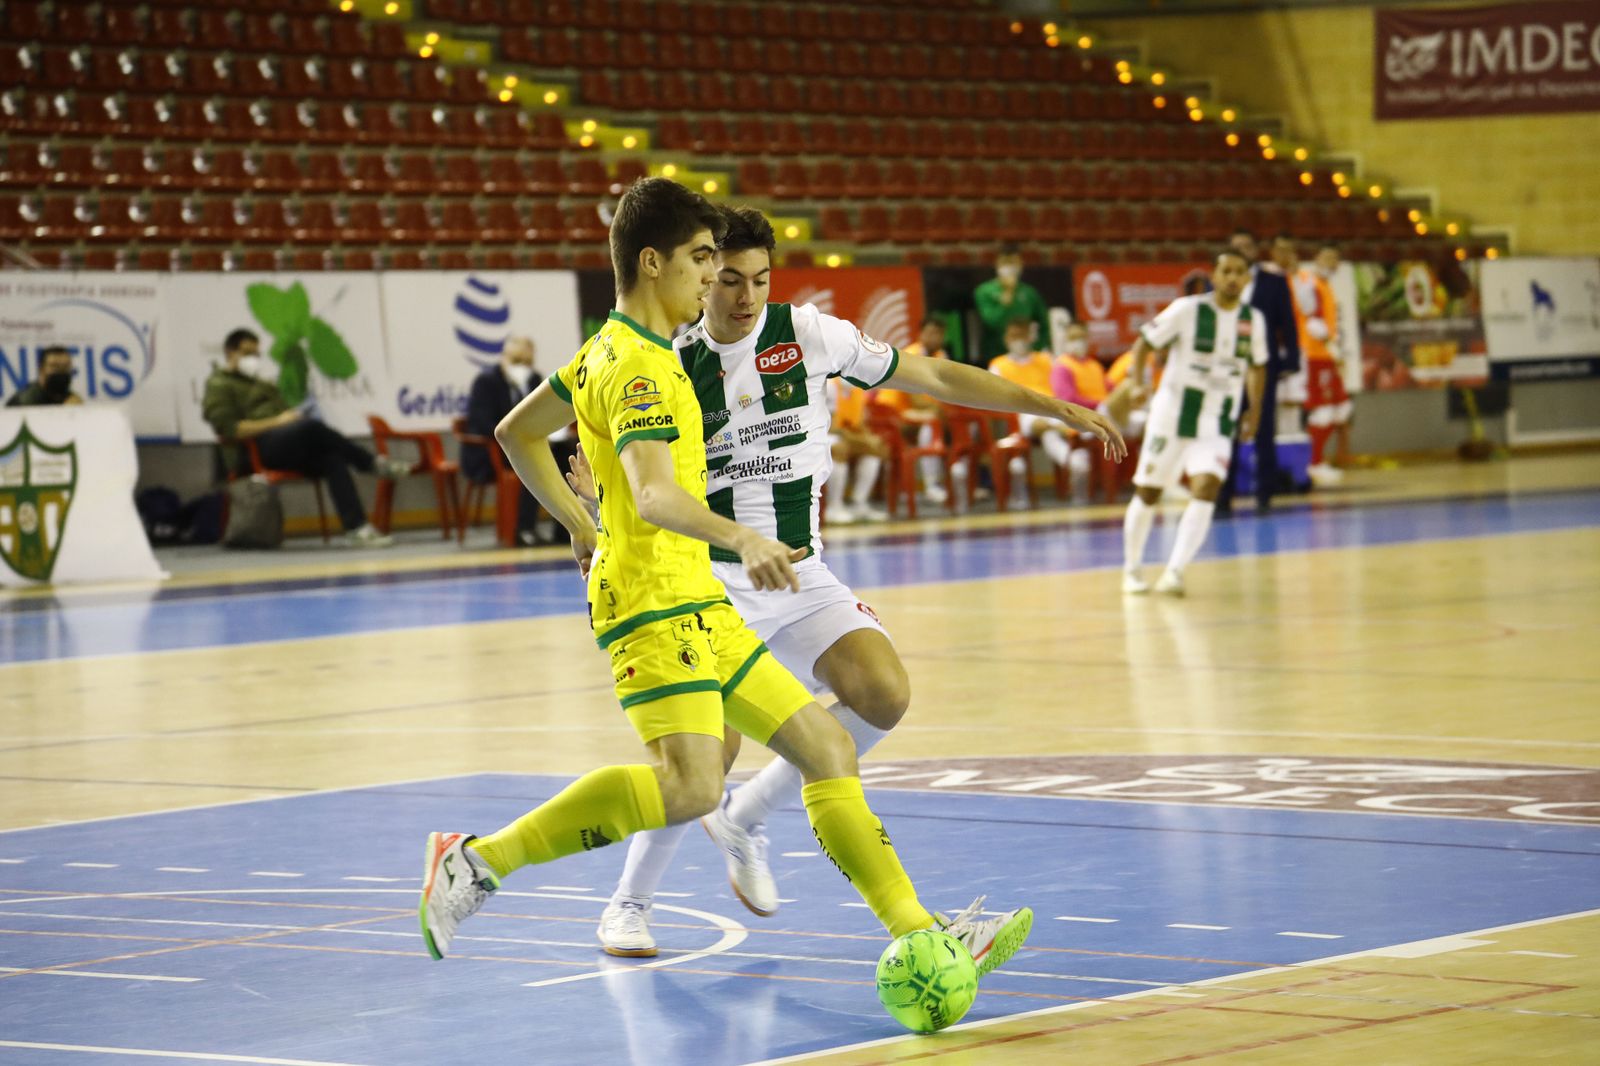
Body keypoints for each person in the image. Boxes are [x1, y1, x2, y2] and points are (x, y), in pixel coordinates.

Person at [417, 181, 1047, 980]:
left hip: (695, 593)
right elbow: (652, 494)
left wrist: (584, 525)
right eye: (702, 259)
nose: (712, 277)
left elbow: (518, 433)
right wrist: (735, 534)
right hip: (653, 601)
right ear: (655, 263)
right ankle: (478, 862)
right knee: (689, 787)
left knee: (823, 744)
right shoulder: (645, 369)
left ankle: (924, 933)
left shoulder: (607, 348)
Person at [559, 203, 1122, 957]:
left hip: (797, 568)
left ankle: (745, 818)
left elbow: (927, 372)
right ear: (699, 272)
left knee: (883, 693)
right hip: (707, 578)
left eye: (760, 279)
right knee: (703, 759)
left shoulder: (808, 334)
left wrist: (1046, 404)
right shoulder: (666, 353)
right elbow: (607, 443)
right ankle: (627, 904)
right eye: (728, 279)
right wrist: (588, 519)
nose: (746, 296)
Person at [1122, 248, 1268, 597]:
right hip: (1170, 416)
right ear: (1214, 276)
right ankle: (1131, 569)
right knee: (1149, 491)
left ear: (1247, 279)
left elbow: (1258, 366)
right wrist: (1139, 383)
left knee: (1206, 488)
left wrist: (1256, 410)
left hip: (1217, 421)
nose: (1232, 278)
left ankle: (1175, 571)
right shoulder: (1188, 310)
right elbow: (1143, 342)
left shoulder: (1253, 320)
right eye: (1226, 271)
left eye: (1239, 272)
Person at [201, 328, 408, 547]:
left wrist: (291, 418)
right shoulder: (218, 384)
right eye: (247, 353)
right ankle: (370, 463)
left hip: (281, 446)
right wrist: (279, 422)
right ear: (230, 353)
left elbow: (287, 416)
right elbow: (229, 430)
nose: (253, 359)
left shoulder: (262, 384)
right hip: (251, 452)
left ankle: (357, 529)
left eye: (256, 354)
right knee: (311, 427)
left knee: (332, 458)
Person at [1215, 230, 1300, 515]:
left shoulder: (1274, 282)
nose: (1242, 250)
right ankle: (1223, 495)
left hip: (1264, 365)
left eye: (1246, 246)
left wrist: (1292, 359)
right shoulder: (1218, 284)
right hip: (1227, 368)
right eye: (1235, 246)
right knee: (1226, 429)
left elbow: (1288, 322)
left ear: (1255, 250)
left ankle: (1265, 494)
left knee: (1263, 429)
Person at [462, 336, 572, 544]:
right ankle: (525, 529)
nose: (523, 367)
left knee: (568, 456)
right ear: (505, 358)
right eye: (518, 361)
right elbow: (482, 422)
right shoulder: (487, 382)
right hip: (494, 451)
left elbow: (545, 413)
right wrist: (514, 432)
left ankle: (567, 528)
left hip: (533, 442)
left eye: (527, 362)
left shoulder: (533, 379)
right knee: (531, 461)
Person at [985, 317, 1075, 503]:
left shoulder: (1046, 359)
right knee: (1040, 423)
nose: (1018, 340)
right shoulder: (998, 365)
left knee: (1053, 431)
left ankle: (1073, 462)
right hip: (1021, 413)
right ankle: (1072, 461)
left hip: (1051, 408)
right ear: (1006, 339)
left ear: (1030, 337)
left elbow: (1060, 389)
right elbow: (995, 399)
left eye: (1022, 335)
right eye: (1014, 335)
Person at [874, 317, 950, 505]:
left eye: (939, 334)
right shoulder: (911, 355)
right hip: (891, 414)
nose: (935, 338)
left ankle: (959, 480)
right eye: (931, 333)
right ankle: (931, 485)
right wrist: (939, 409)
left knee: (958, 426)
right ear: (920, 334)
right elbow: (915, 399)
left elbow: (947, 392)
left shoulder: (942, 356)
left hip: (915, 414)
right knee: (931, 426)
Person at [1295, 245, 1352, 484]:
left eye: (1336, 259)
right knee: (1322, 411)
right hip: (1314, 356)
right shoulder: (1308, 282)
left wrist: (1336, 346)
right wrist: (1327, 340)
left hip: (1327, 355)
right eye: (1327, 257)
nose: (1332, 263)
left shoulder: (1326, 286)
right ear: (1316, 258)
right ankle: (1313, 463)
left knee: (1342, 408)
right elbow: (1309, 321)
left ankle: (1317, 459)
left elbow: (1328, 323)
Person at [973, 243, 1051, 365]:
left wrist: (1038, 348)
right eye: (1005, 263)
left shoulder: (1029, 292)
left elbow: (1043, 324)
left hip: (1027, 355)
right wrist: (1006, 298)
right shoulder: (984, 291)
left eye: (1013, 262)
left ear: (1021, 264)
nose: (1010, 267)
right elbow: (991, 322)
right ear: (997, 265)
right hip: (995, 353)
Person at [825, 376, 889, 524]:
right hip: (823, 434)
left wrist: (870, 439)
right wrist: (859, 440)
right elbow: (831, 426)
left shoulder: (859, 390)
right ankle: (834, 507)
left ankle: (859, 503)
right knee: (841, 449)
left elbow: (859, 424)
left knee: (874, 450)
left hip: (845, 434)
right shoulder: (829, 387)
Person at [5, 346, 83, 406]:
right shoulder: (24, 401)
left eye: (66, 366)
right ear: (41, 370)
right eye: (55, 366)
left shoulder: (73, 400)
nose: (61, 371)